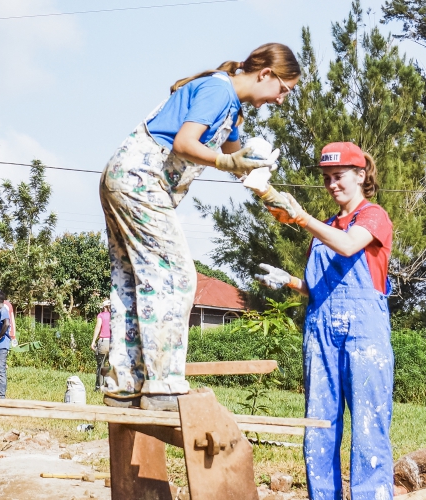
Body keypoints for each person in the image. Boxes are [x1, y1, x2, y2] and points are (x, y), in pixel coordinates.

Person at [99, 43, 300, 411]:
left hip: (124, 177)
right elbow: (185, 142)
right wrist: (226, 160)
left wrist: (276, 200)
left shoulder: (233, 111)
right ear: (266, 73)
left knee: (133, 280)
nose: (282, 100)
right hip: (142, 180)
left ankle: (124, 386)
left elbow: (243, 167)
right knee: (175, 277)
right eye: (284, 89)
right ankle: (163, 388)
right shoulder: (218, 90)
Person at [255, 142, 395, 499]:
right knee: (319, 427)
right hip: (320, 336)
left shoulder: (372, 216)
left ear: (361, 175)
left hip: (365, 337)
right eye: (327, 178)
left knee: (368, 429)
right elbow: (318, 290)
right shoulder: (327, 227)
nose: (333, 185)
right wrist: (288, 281)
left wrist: (301, 217)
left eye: (339, 176)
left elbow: (349, 247)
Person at [92, 299, 112, 388]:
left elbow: (98, 327)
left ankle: (99, 387)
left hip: (103, 342)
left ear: (103, 307)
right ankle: (111, 386)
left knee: (100, 365)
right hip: (113, 342)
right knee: (112, 366)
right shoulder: (114, 315)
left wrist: (93, 341)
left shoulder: (101, 315)